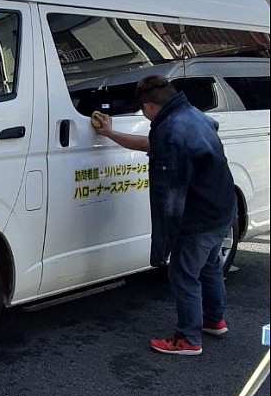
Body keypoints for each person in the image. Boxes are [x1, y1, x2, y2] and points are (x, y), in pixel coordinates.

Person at [95, 74, 237, 356]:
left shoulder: (171, 131)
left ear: (148, 107)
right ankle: (214, 320)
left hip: (199, 216)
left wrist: (163, 242)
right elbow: (154, 144)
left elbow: (169, 197)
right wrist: (111, 134)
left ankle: (188, 339)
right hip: (223, 207)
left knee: (183, 274)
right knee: (209, 266)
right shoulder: (190, 115)